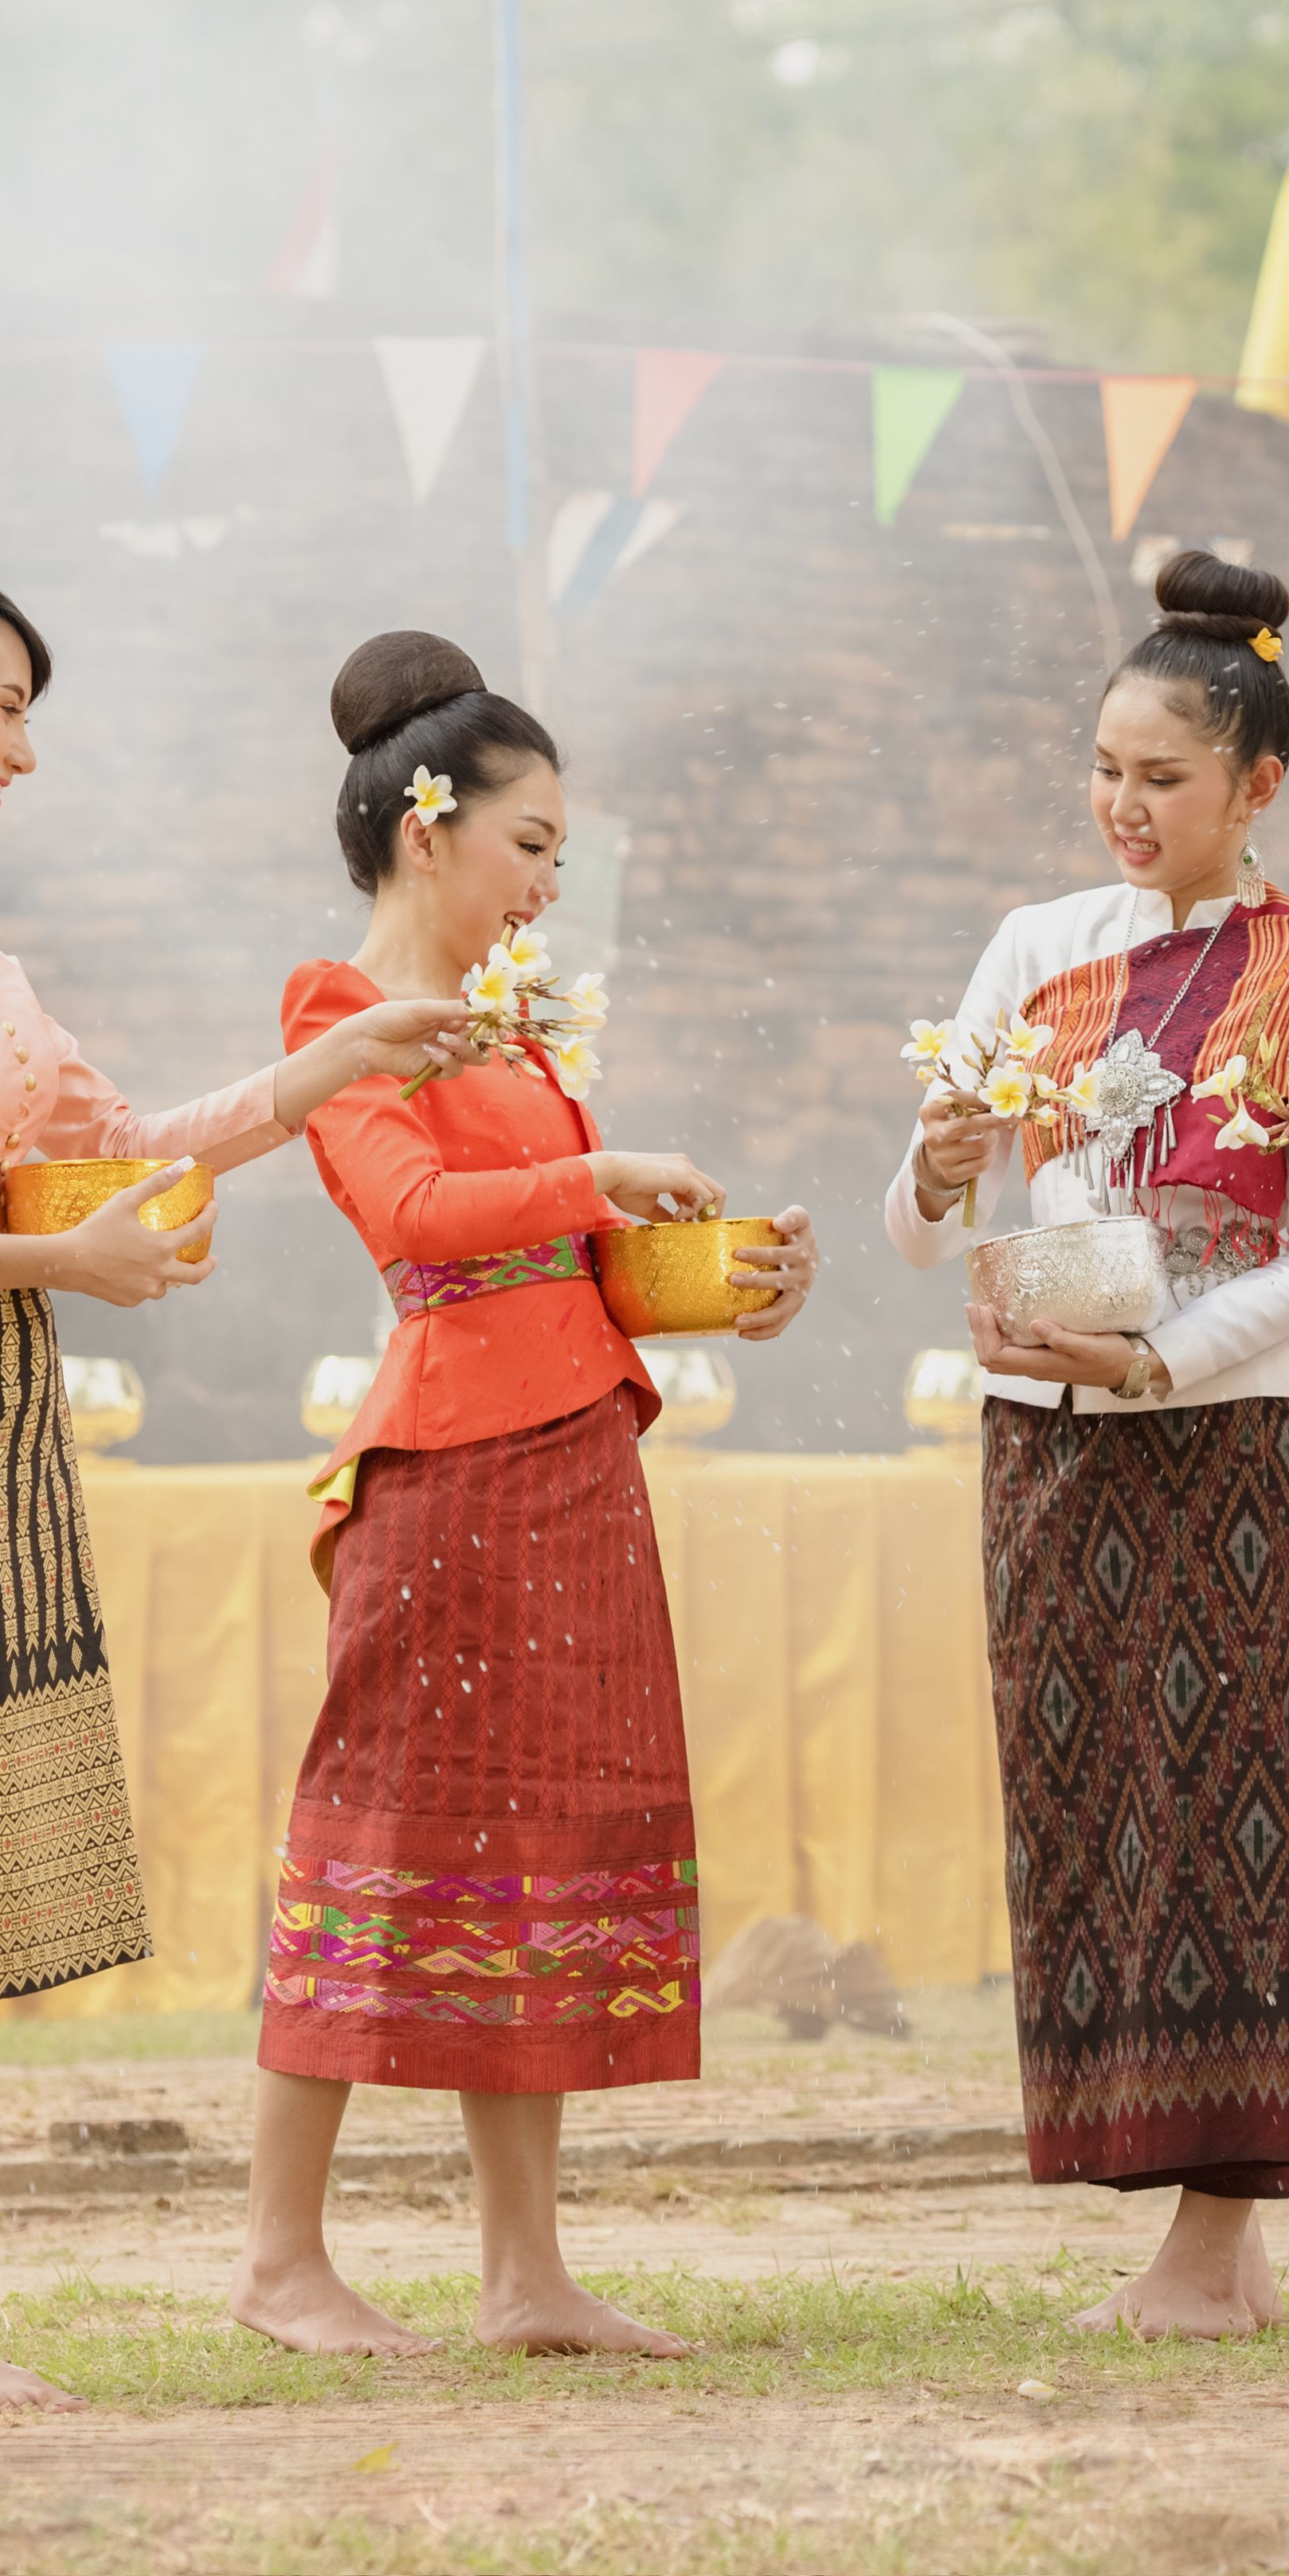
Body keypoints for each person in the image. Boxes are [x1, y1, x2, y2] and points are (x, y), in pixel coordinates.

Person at [0, 558, 468, 2411]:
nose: (23, 753)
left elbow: (113, 1140)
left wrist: (330, 1065)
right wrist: (62, 1271)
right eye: (8, 708)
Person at [890, 551, 1289, 2339]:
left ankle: (1211, 2250)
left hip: (1222, 1439)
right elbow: (938, 1221)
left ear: (1258, 789)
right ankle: (1189, 2217)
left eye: (1164, 778)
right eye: (1105, 769)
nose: (1123, 808)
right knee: (1081, 1805)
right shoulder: (1030, 947)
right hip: (1041, 1436)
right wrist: (920, 1174)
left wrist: (1158, 1362)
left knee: (1217, 1817)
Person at [230, 632, 817, 2360]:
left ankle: (523, 2274)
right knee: (378, 1843)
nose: (552, 882)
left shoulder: (505, 1027)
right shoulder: (335, 1012)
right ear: (428, 833)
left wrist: (710, 1275)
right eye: (533, 844)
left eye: (561, 850)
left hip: (567, 1462)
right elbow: (413, 1221)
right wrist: (598, 1170)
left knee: (535, 1851)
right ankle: (278, 2259)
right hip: (449, 1476)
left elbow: (562, 1257)